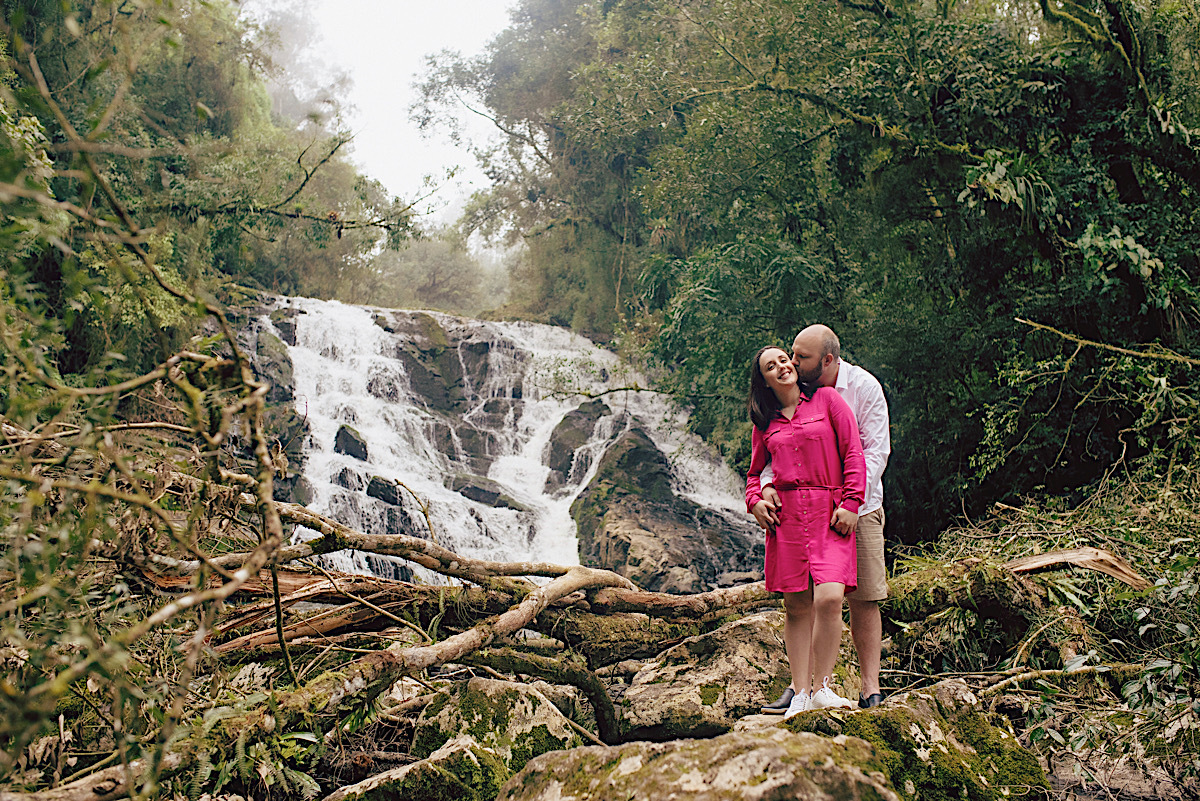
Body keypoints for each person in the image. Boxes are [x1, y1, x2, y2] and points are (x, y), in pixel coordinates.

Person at [757, 325, 891, 713]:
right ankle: (804, 687)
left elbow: (872, 453)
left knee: (863, 596)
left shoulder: (862, 389)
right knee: (804, 600)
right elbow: (780, 453)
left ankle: (870, 688)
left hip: (859, 507)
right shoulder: (802, 394)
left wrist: (851, 501)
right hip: (806, 512)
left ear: (828, 360)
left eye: (800, 357)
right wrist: (764, 489)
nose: (792, 361)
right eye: (789, 355)